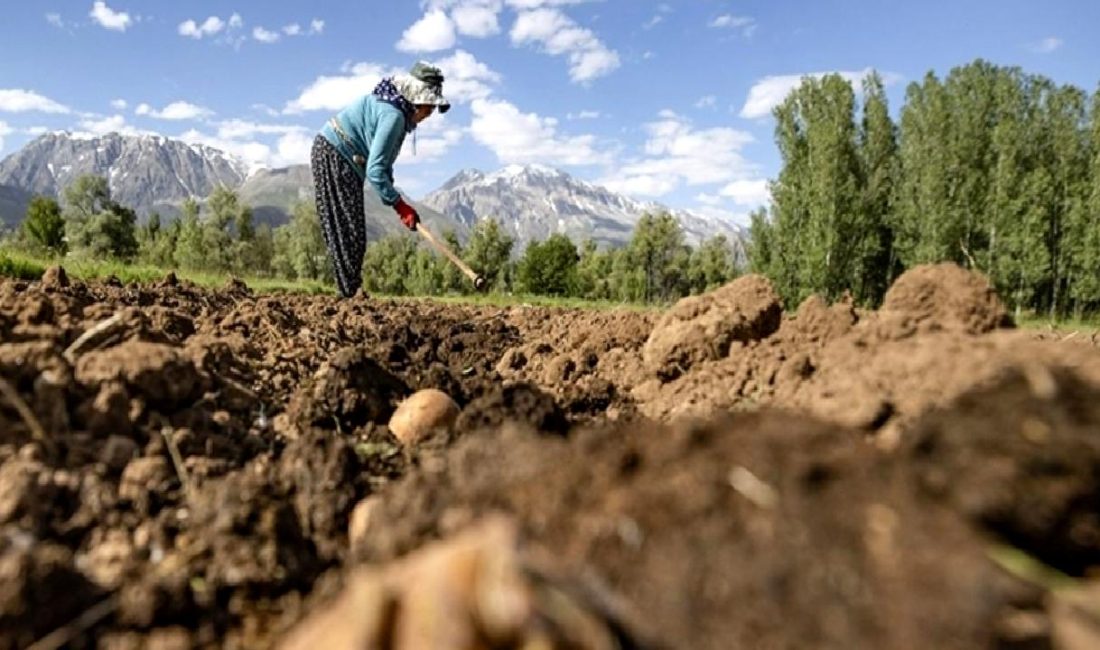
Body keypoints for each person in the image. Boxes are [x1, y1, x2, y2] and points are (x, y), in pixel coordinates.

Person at [310, 61, 450, 297]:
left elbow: (383, 163)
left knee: (352, 233)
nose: (429, 115)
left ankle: (350, 293)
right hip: (335, 154)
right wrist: (400, 205)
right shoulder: (393, 116)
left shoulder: (395, 109)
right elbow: (375, 171)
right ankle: (350, 295)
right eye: (429, 107)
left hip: (339, 155)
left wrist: (395, 197)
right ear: (417, 100)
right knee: (349, 233)